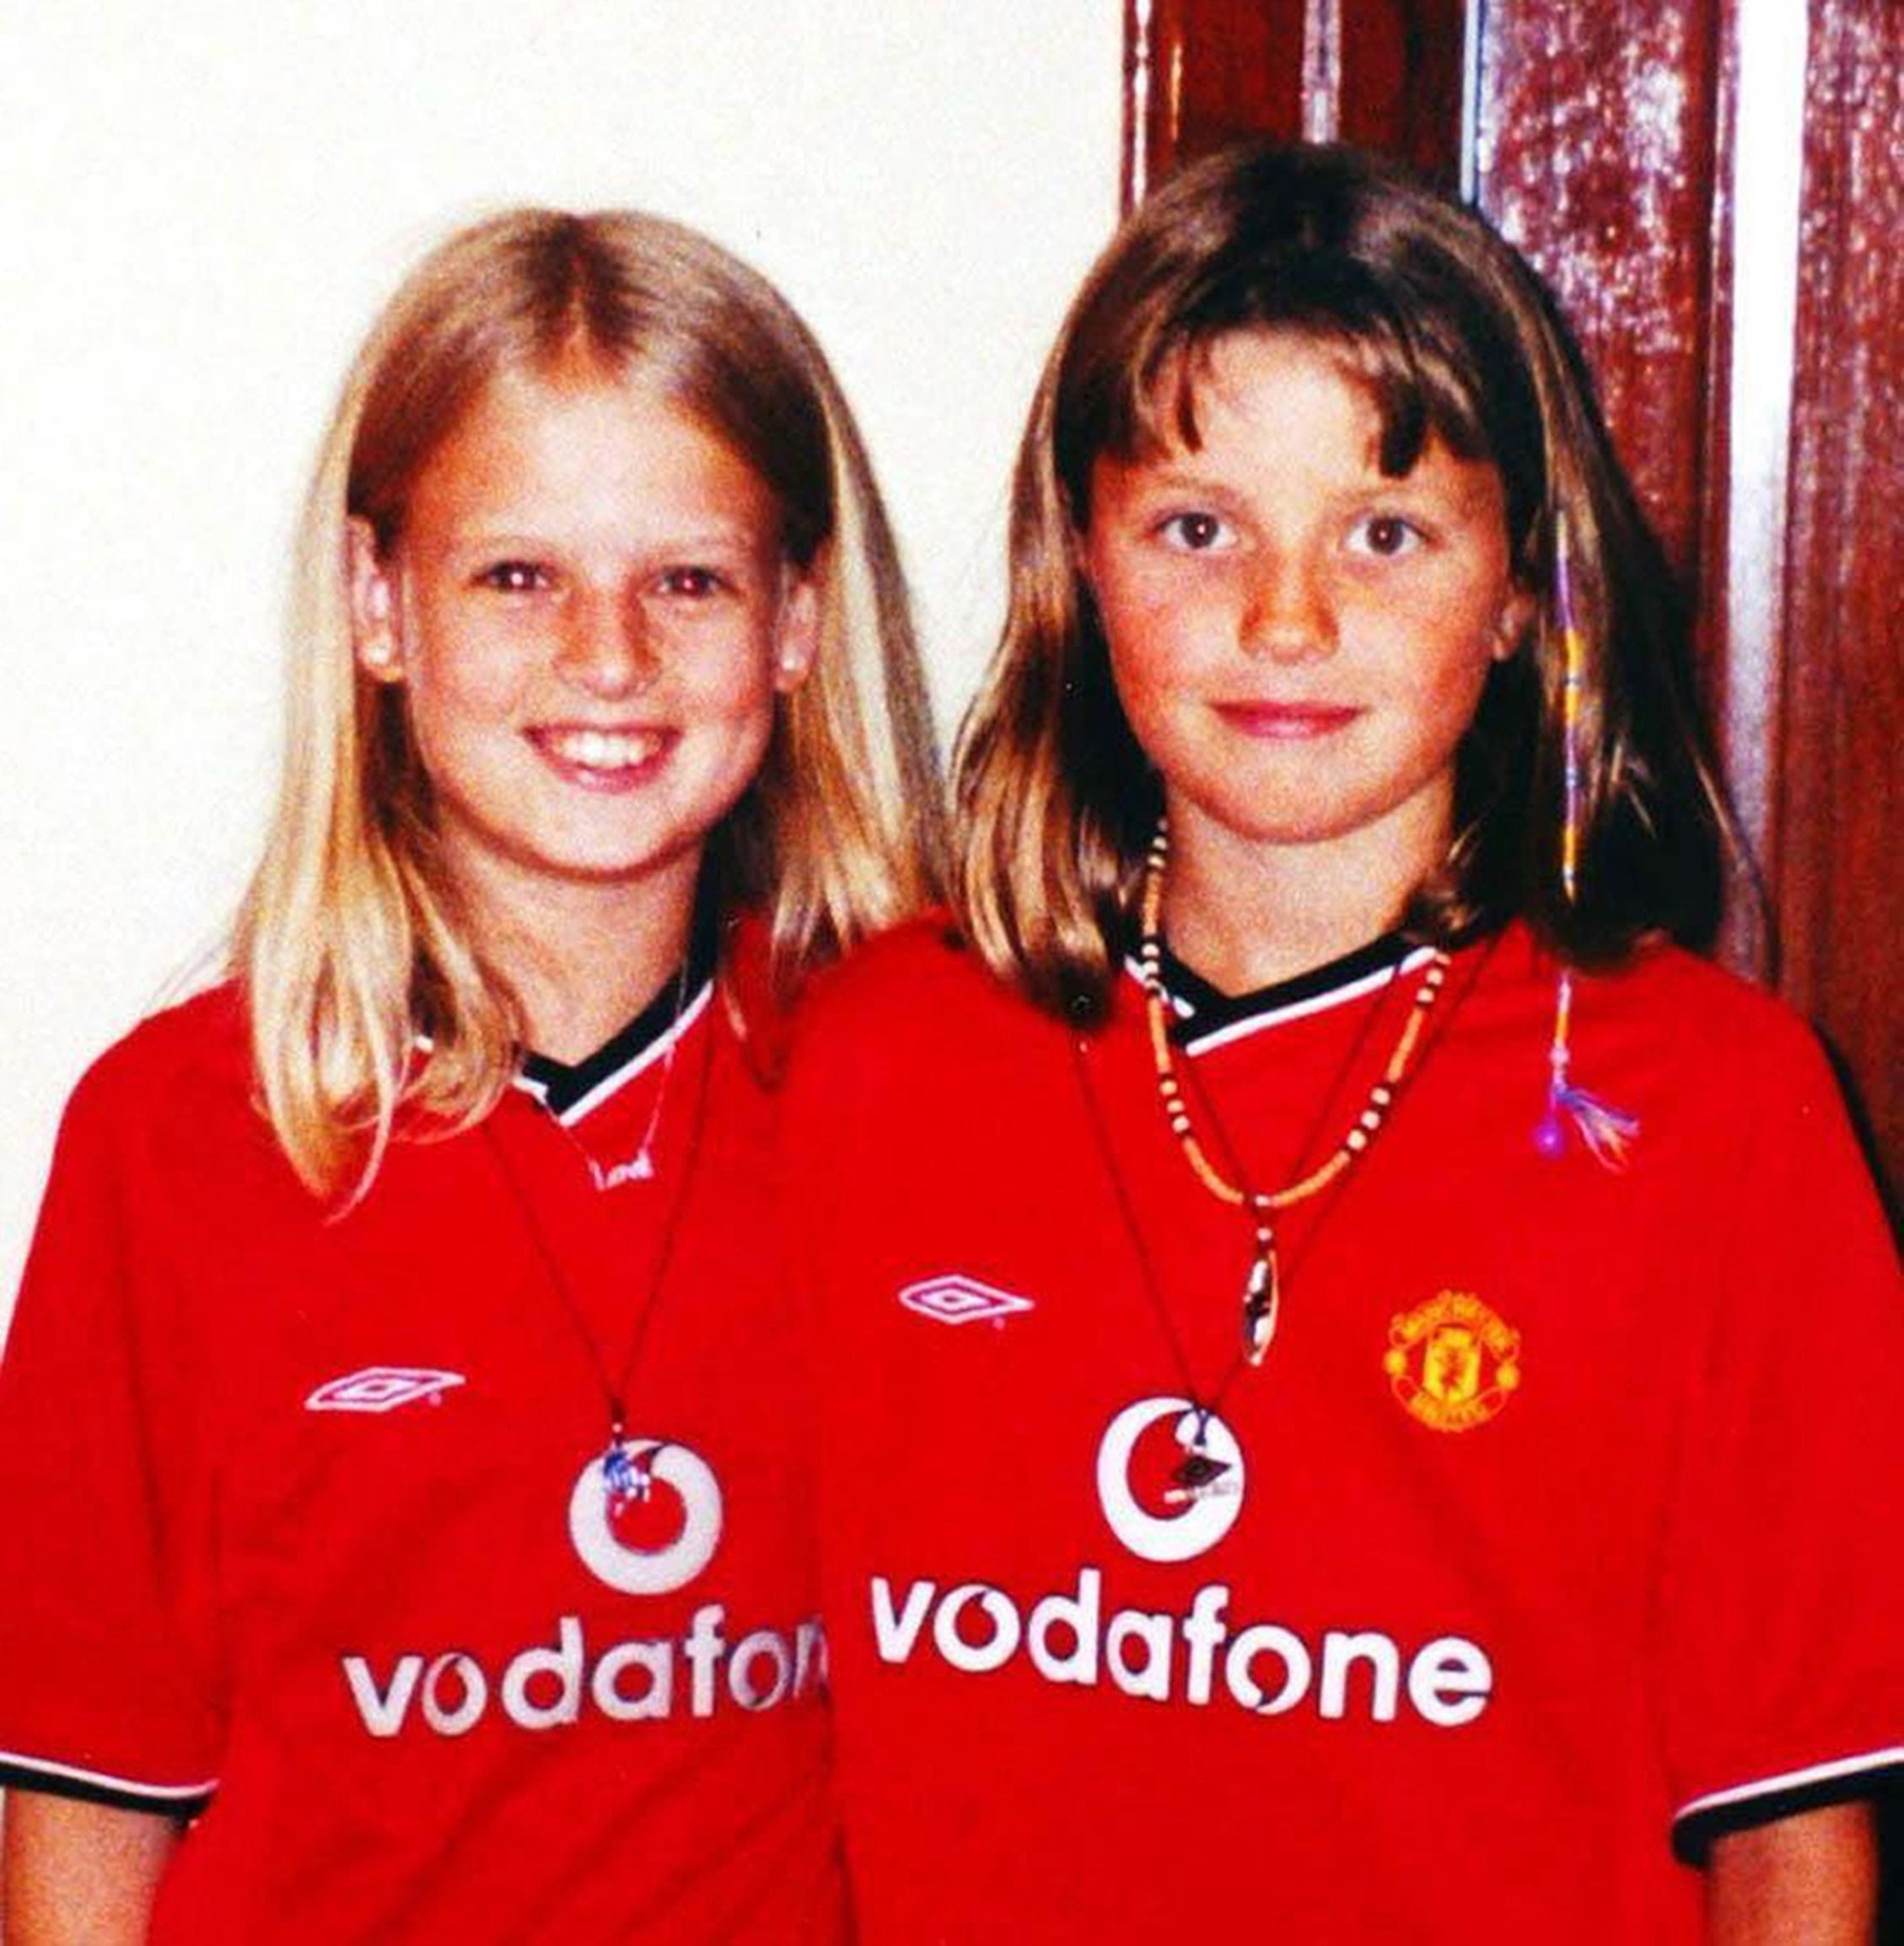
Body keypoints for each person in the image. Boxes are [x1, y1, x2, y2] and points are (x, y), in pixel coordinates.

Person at [784, 143, 1901, 1942]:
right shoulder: (876, 1054)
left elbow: (1789, 1831)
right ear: (1080, 549)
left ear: (1525, 586)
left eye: (1384, 534)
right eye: (1197, 526)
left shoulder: (1713, 1108)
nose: (1284, 618)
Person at [0, 207, 940, 1943]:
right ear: (378, 604)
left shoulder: (918, 1091)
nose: (607, 655)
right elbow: (79, 1797)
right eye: (517, 575)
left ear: (797, 619)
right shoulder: (182, 1131)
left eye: (689, 578)